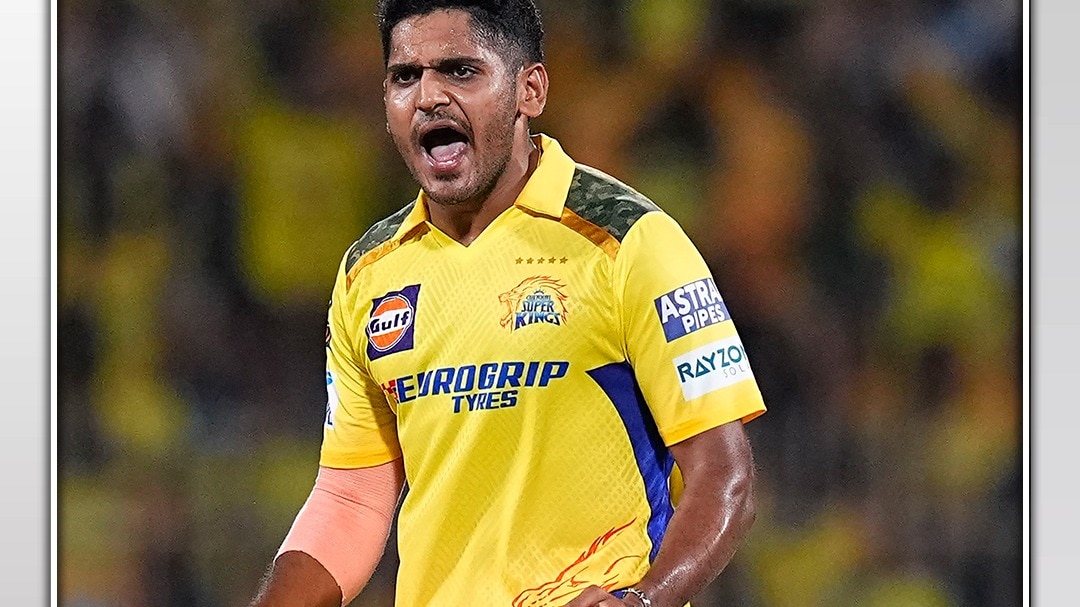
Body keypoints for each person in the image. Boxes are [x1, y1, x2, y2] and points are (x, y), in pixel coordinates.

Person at [248, 1, 766, 606]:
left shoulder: (628, 240)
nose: (428, 97)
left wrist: (644, 600)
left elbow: (724, 475)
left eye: (460, 71)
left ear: (530, 90)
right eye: (405, 77)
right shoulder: (369, 273)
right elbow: (351, 498)